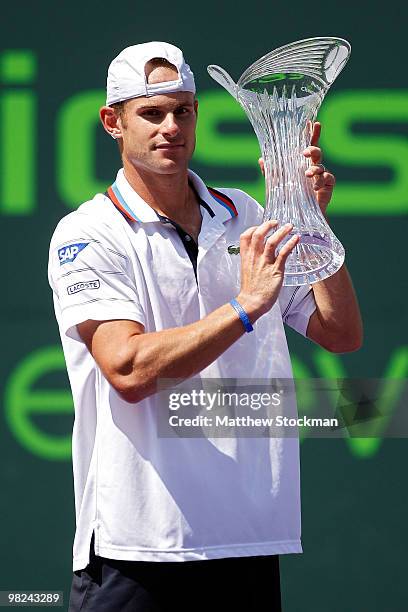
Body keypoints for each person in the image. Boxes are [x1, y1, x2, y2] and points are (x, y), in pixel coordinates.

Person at [48, 41, 363, 611]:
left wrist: (313, 224)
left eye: (183, 111)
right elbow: (128, 367)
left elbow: (339, 333)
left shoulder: (244, 213)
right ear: (112, 122)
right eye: (151, 113)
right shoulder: (88, 232)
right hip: (137, 549)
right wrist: (244, 308)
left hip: (247, 542)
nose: (171, 126)